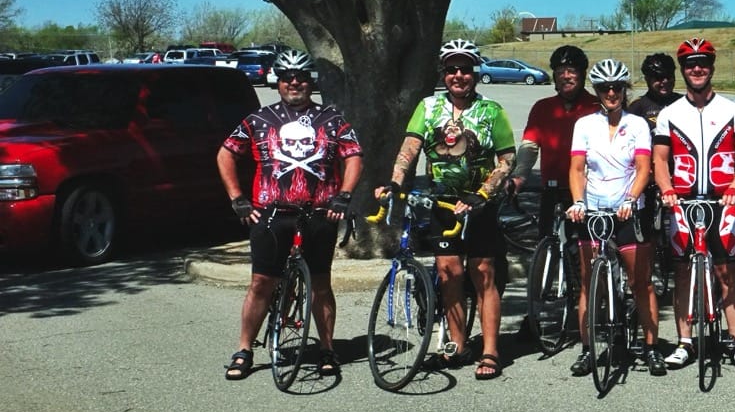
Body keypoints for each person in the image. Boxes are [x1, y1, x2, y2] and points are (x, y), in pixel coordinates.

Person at [218, 49, 363, 380]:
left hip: (320, 213)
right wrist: (237, 198)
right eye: (287, 77)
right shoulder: (258, 120)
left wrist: (344, 195)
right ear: (278, 81)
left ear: (310, 81)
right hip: (270, 214)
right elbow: (225, 155)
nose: (294, 82)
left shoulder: (332, 119)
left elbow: (353, 156)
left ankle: (327, 348)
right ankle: (244, 349)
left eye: (300, 77)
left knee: (321, 284)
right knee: (260, 283)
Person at [383, 39, 516, 380]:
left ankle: (489, 350)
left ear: (475, 73)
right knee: (448, 274)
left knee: (483, 274)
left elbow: (507, 159)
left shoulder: (491, 112)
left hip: (479, 203)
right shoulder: (428, 107)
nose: (459, 75)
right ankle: (457, 346)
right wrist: (396, 181)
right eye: (452, 69)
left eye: (465, 69)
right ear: (444, 73)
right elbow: (409, 148)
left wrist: (484, 194)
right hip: (441, 202)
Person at [651, 38, 735, 371]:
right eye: (690, 64)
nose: (697, 69)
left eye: (703, 63)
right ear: (683, 70)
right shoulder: (670, 114)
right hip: (682, 204)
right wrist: (667, 190)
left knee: (728, 272)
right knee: (683, 272)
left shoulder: (732, 110)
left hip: (722, 201)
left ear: (711, 68)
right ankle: (685, 342)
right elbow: (659, 159)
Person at [567, 60, 662, 377]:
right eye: (605, 88)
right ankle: (587, 349)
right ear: (597, 91)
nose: (611, 93)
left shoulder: (637, 125)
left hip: (627, 210)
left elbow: (643, 168)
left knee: (640, 282)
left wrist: (631, 199)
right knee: (588, 281)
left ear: (624, 90)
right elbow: (577, 169)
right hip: (593, 210)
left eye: (617, 87)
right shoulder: (585, 125)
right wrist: (578, 201)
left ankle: (650, 347)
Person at [512, 44, 600, 234]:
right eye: (560, 72)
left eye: (571, 71)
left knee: (585, 251)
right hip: (551, 190)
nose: (566, 76)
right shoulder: (543, 107)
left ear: (582, 74)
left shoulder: (596, 106)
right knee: (546, 245)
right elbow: (530, 146)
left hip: (588, 192)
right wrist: (519, 177)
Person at [626, 51, 680, 298]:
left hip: (680, 177)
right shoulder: (637, 108)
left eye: (668, 77)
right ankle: (651, 271)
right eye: (657, 77)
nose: (664, 82)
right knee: (647, 228)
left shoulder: (683, 103)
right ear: (648, 79)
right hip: (648, 177)